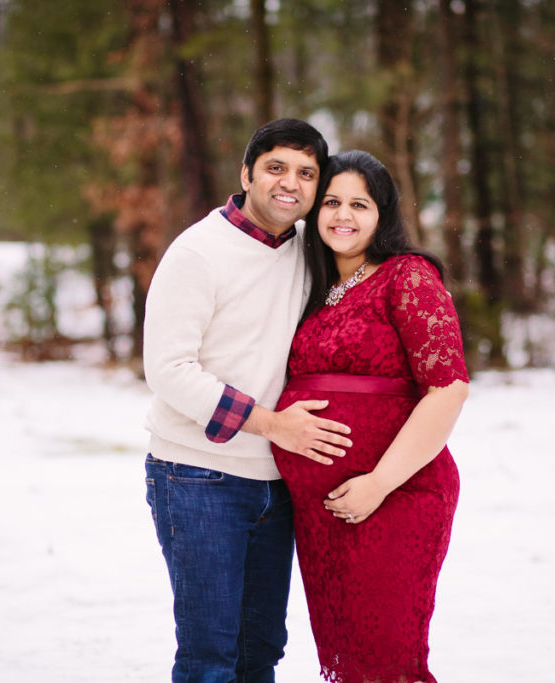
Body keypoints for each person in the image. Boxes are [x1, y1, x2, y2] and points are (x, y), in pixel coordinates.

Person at [142, 118, 353, 683]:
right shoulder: (198, 252)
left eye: (307, 173)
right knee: (211, 657)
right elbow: (168, 370)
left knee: (260, 651)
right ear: (246, 174)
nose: (291, 184)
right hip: (197, 477)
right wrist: (270, 423)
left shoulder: (311, 250)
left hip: (280, 483)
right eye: (276, 168)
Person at [271, 150, 470, 683]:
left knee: (388, 662)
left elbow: (448, 390)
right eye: (331, 202)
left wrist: (379, 483)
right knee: (349, 661)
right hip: (322, 513)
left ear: (383, 213)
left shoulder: (407, 277)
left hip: (397, 495)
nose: (343, 215)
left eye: (359, 204)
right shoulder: (311, 291)